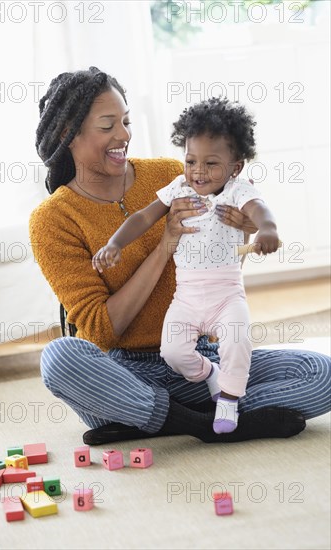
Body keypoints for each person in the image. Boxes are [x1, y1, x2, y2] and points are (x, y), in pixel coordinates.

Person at [29, 67, 330, 446]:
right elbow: (102, 331)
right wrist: (164, 244)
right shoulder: (53, 220)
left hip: (202, 358)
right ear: (66, 134)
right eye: (107, 125)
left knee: (320, 373)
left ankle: (171, 418)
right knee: (60, 359)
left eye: (125, 121)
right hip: (127, 373)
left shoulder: (175, 173)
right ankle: (207, 423)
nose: (123, 135)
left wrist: (240, 232)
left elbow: (216, 272)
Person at [91, 97, 280, 435]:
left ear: (235, 167)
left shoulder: (237, 191)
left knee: (238, 342)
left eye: (211, 163)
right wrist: (115, 243)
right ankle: (209, 374)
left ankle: (229, 401)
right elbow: (143, 216)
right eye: (191, 161)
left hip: (227, 295)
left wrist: (266, 229)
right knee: (173, 352)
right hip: (187, 297)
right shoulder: (179, 187)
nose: (198, 171)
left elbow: (260, 211)